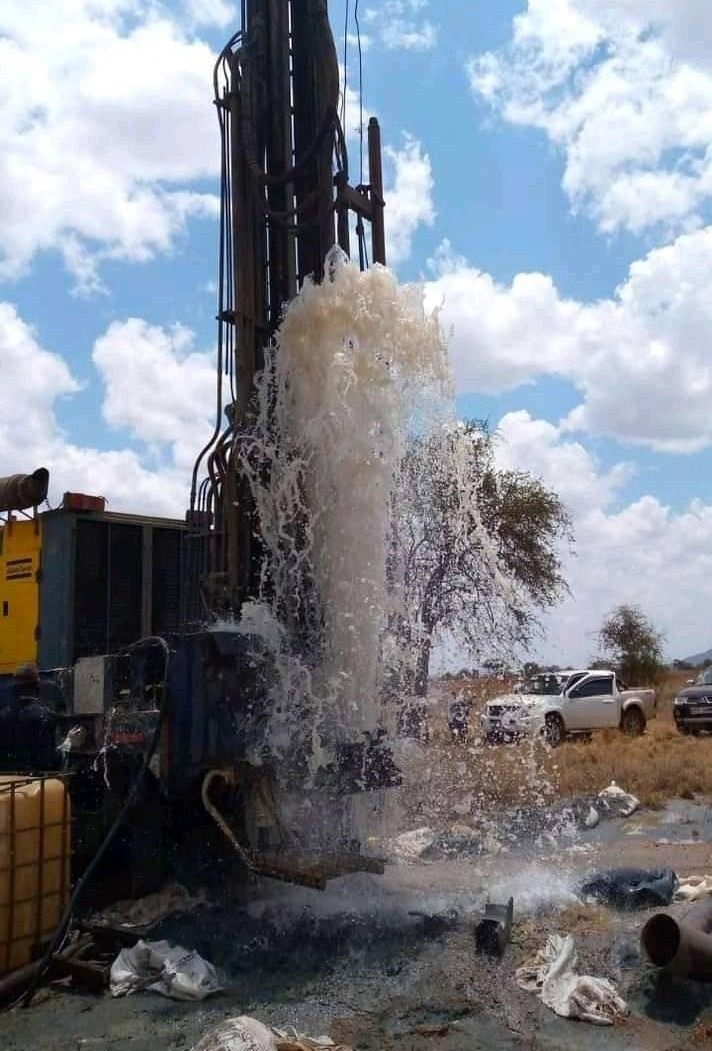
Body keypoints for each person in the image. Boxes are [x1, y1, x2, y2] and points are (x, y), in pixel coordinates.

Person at [0, 663, 58, 774]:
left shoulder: (3, 715)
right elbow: (48, 760)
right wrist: (67, 746)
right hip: (33, 784)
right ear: (37, 687)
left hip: (5, 783)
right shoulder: (45, 716)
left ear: (15, 689)